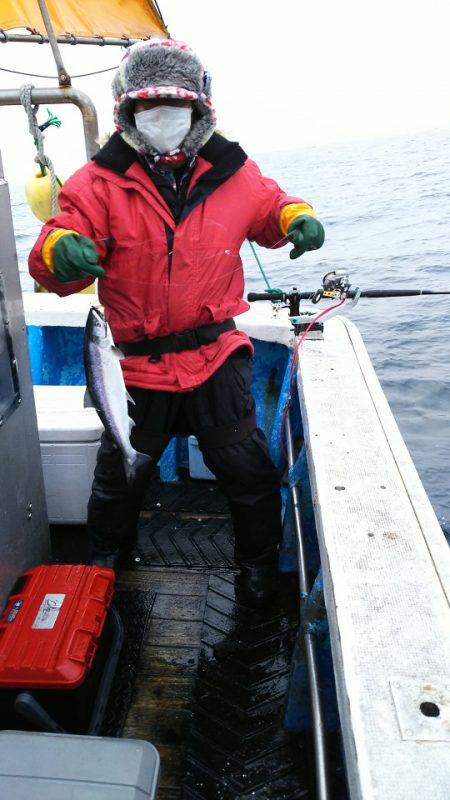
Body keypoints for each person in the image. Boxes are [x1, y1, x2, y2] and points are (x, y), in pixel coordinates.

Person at [29, 39, 325, 607]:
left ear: (200, 109)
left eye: (175, 106)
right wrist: (58, 249)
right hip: (135, 364)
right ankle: (106, 563)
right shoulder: (96, 182)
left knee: (246, 470)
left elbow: (270, 207)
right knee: (120, 475)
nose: (161, 118)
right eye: (146, 107)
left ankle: (257, 569)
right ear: (126, 111)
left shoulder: (235, 170)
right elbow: (58, 244)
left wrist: (297, 216)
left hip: (215, 355)